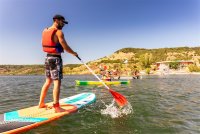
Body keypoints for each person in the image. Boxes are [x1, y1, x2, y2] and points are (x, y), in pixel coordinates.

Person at [38, 14, 78, 113]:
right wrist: (74, 53)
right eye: (62, 22)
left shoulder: (44, 30)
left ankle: (41, 103)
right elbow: (65, 46)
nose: (63, 24)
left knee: (48, 81)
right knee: (57, 83)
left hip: (47, 58)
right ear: (56, 20)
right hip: (56, 59)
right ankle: (56, 107)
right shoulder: (59, 32)